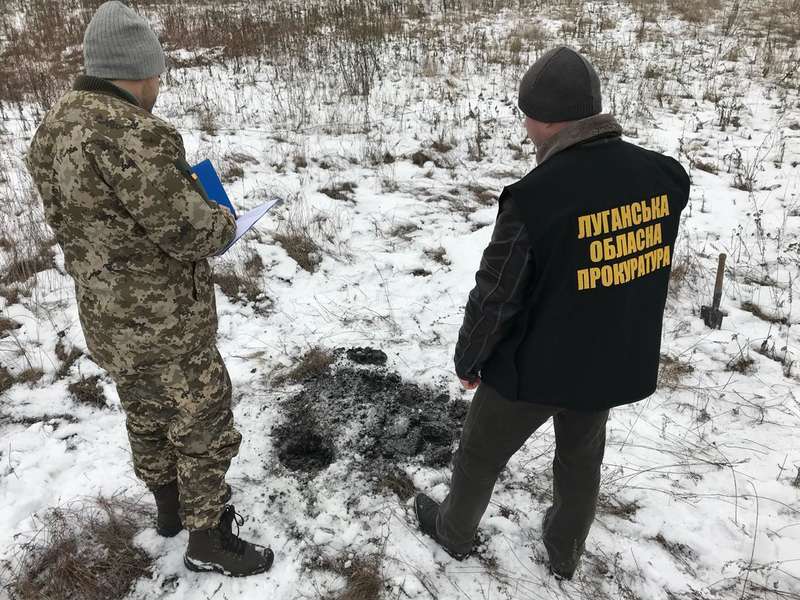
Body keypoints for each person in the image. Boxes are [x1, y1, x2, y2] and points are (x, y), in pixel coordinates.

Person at [415, 46, 690, 579]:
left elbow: (497, 293)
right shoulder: (664, 176)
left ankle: (453, 532)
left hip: (535, 366)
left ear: (541, 119)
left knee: (478, 453)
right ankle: (565, 552)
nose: (524, 128)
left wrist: (470, 359)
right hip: (610, 357)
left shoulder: (535, 198)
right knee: (581, 459)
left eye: (525, 116)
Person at [26, 1, 273, 577]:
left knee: (145, 411)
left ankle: (168, 514)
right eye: (158, 73)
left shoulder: (53, 128)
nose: (159, 85)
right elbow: (191, 231)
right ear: (138, 69)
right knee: (203, 419)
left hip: (105, 316)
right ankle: (207, 539)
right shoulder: (135, 135)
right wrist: (221, 217)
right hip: (166, 320)